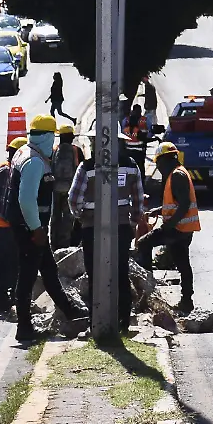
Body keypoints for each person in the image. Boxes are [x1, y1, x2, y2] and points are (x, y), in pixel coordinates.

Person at [10, 114, 88, 340]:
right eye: (51, 138)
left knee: (49, 270)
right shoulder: (34, 161)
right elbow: (26, 200)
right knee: (27, 275)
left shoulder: (27, 152)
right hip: (30, 229)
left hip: (32, 227)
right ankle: (24, 328)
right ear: (44, 137)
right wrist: (36, 229)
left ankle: (70, 310)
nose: (54, 144)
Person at [69, 132, 143, 330]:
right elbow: (138, 199)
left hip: (91, 228)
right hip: (121, 227)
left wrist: (82, 216)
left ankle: (97, 322)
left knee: (95, 274)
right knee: (120, 272)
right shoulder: (131, 165)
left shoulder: (87, 167)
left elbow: (74, 199)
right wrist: (134, 222)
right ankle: (123, 321)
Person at [136, 142, 200, 313]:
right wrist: (159, 211)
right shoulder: (177, 173)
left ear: (165, 160)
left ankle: (147, 292)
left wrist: (169, 225)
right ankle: (187, 300)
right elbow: (176, 202)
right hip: (184, 228)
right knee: (182, 263)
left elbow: (184, 205)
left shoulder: (177, 175)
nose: (158, 167)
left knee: (143, 244)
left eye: (158, 163)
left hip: (177, 229)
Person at [0, 137, 26, 313]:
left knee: (12, 256)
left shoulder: (14, 170)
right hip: (1, 223)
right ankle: (2, 296)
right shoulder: (5, 171)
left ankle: (8, 294)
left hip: (6, 222)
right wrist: (12, 220)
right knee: (8, 256)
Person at [49, 125, 84, 251]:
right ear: (72, 137)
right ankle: (66, 244)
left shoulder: (53, 150)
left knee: (55, 216)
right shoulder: (76, 150)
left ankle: (54, 244)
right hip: (70, 188)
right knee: (69, 217)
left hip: (55, 188)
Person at [121, 104, 148, 174]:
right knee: (141, 167)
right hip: (139, 153)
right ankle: (141, 180)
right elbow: (144, 139)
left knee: (129, 168)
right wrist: (155, 139)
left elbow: (122, 140)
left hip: (128, 152)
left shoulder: (125, 130)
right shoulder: (138, 131)